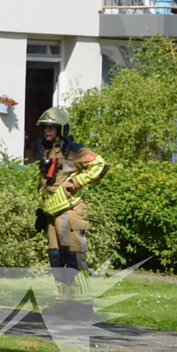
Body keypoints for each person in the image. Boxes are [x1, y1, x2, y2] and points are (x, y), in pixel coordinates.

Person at [32, 107, 109, 319]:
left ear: (62, 129)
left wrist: (76, 181)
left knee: (73, 258)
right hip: (52, 215)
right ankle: (64, 302)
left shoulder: (74, 150)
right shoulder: (47, 151)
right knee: (56, 259)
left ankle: (83, 306)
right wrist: (42, 209)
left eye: (52, 127)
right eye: (44, 127)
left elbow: (100, 165)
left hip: (70, 212)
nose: (47, 131)